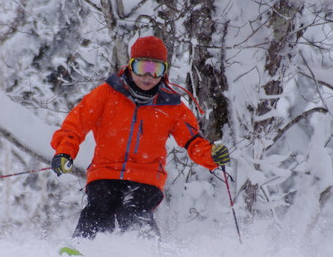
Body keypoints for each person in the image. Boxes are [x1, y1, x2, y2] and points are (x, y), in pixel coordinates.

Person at [50, 36, 230, 239]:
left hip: (146, 176)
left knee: (133, 212)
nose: (148, 76)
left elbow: (192, 141)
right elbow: (74, 126)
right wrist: (65, 152)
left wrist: (211, 156)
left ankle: (147, 254)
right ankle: (85, 251)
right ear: (130, 66)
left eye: (156, 70)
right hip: (105, 172)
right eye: (142, 67)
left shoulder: (171, 105)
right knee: (99, 208)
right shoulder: (107, 94)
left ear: (164, 72)